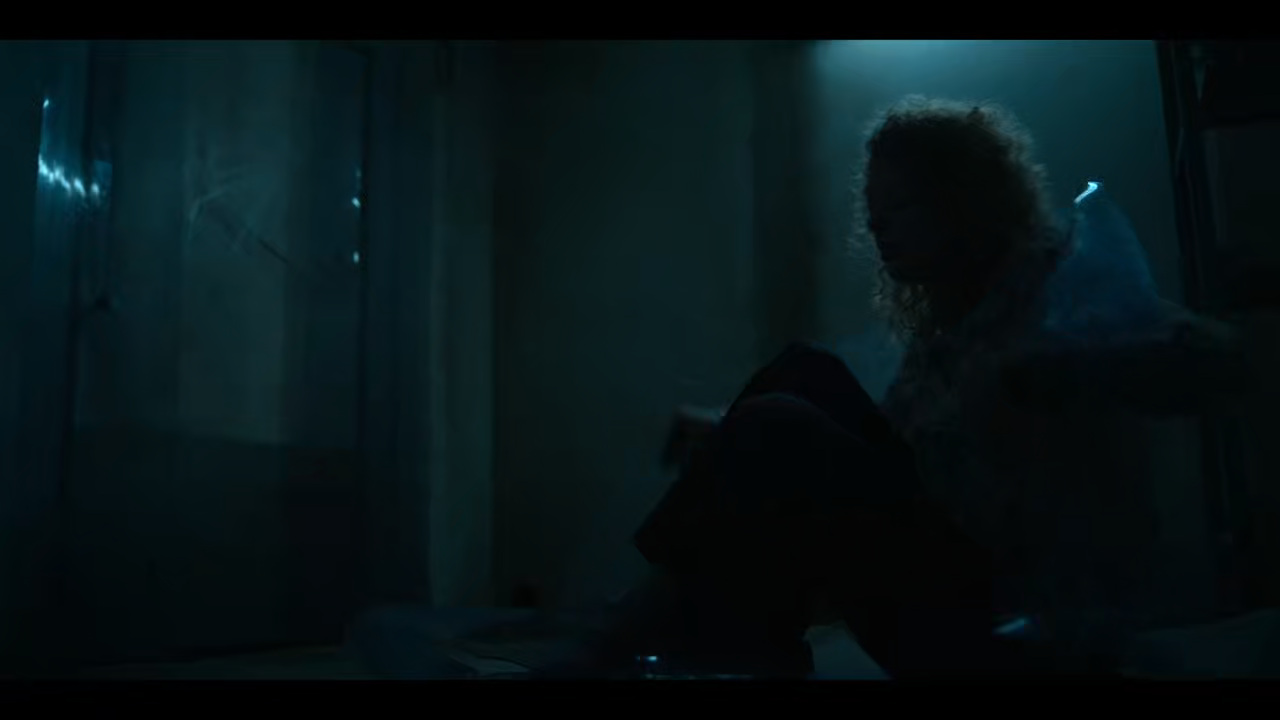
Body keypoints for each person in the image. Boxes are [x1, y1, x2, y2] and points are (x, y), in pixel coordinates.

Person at [555, 96, 1258, 679]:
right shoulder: (945, 334)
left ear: (964, 201)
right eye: (874, 212)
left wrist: (1076, 365)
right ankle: (700, 631)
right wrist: (728, 439)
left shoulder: (1059, 289)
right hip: (942, 582)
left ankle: (628, 632)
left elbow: (1221, 360)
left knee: (778, 422)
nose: (881, 228)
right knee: (801, 376)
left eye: (904, 206)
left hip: (1011, 620)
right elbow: (893, 461)